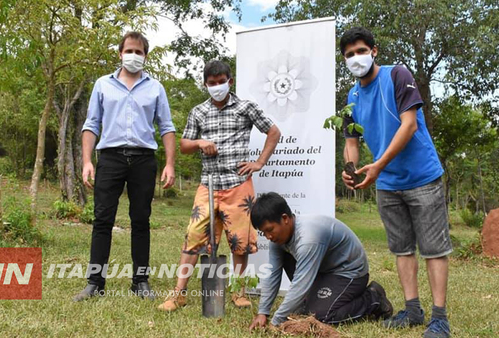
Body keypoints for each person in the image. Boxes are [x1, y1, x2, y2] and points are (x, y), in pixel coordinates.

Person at [339, 27, 452, 338]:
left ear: (374, 51)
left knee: (433, 249)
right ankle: (413, 310)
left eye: (360, 51)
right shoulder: (353, 96)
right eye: (349, 55)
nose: (355, 58)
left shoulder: (397, 75)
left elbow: (410, 124)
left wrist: (378, 165)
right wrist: (351, 168)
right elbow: (351, 138)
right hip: (387, 183)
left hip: (421, 176)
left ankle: (439, 319)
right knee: (402, 249)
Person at [157, 60, 281, 311]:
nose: (217, 87)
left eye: (221, 82)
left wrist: (259, 162)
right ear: (205, 84)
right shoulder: (198, 112)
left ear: (230, 81)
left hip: (238, 185)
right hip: (209, 185)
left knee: (240, 241)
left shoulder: (246, 107)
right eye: (211, 83)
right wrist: (200, 142)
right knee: (194, 235)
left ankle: (238, 291)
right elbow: (184, 145)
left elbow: (274, 132)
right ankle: (178, 294)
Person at [73, 31, 176, 301]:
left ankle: (140, 282)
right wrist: (86, 161)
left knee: (141, 221)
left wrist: (170, 163)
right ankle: (95, 283)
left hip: (144, 159)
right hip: (110, 158)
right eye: (129, 50)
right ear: (120, 53)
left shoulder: (155, 88)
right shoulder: (102, 85)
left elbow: (166, 127)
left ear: (145, 56)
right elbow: (91, 124)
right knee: (102, 220)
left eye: (139, 52)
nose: (133, 56)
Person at [248, 192, 393, 329]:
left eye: (270, 229)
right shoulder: (277, 240)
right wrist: (263, 312)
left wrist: (277, 321)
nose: (268, 237)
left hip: (349, 272)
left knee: (321, 316)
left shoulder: (308, 238)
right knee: (305, 308)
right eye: (263, 232)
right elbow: (272, 274)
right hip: (323, 270)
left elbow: (301, 283)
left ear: (285, 218)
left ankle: (373, 298)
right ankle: (311, 300)